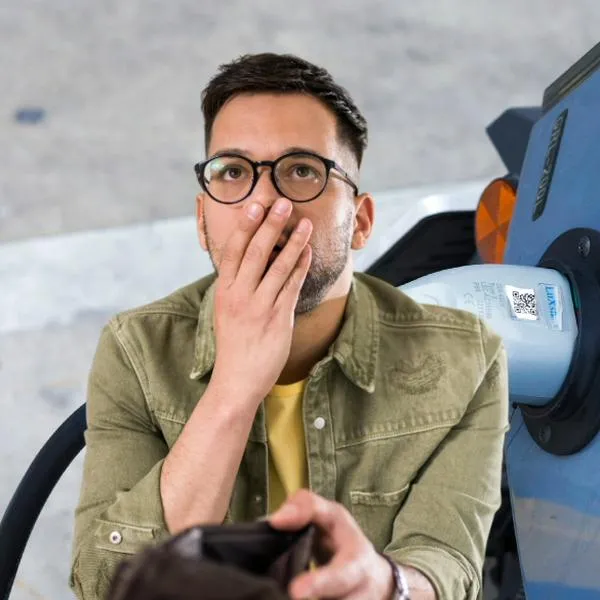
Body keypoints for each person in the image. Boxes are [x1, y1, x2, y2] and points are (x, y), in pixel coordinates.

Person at [70, 53, 509, 600]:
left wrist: (384, 584)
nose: (264, 202)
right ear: (203, 221)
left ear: (360, 222)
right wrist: (234, 389)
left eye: (302, 170)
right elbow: (106, 583)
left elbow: (447, 563)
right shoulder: (134, 352)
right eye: (233, 171)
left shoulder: (468, 360)